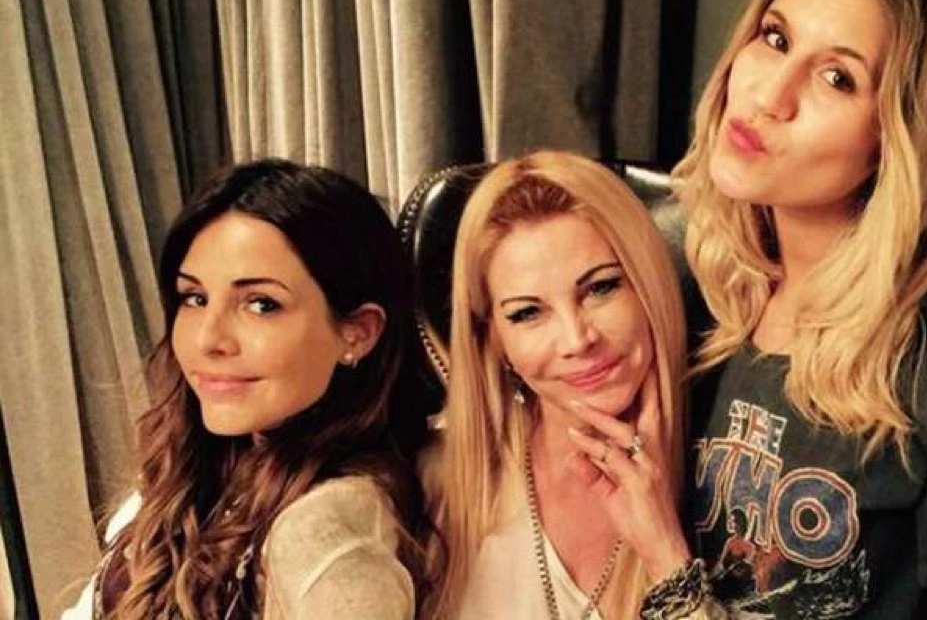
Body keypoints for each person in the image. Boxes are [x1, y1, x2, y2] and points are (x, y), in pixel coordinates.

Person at [567, 0, 927, 618]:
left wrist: (669, 565)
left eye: (837, 78)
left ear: (902, 132)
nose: (769, 96)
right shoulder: (689, 279)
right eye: (775, 38)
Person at [63, 160, 431, 619]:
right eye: (194, 298)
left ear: (357, 332)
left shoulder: (327, 534)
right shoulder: (197, 469)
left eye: (261, 304)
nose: (208, 339)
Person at [424, 151, 689, 619]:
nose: (577, 339)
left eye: (601, 288)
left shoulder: (730, 476)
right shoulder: (436, 480)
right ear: (493, 339)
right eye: (528, 313)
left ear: (649, 285)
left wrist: (665, 553)